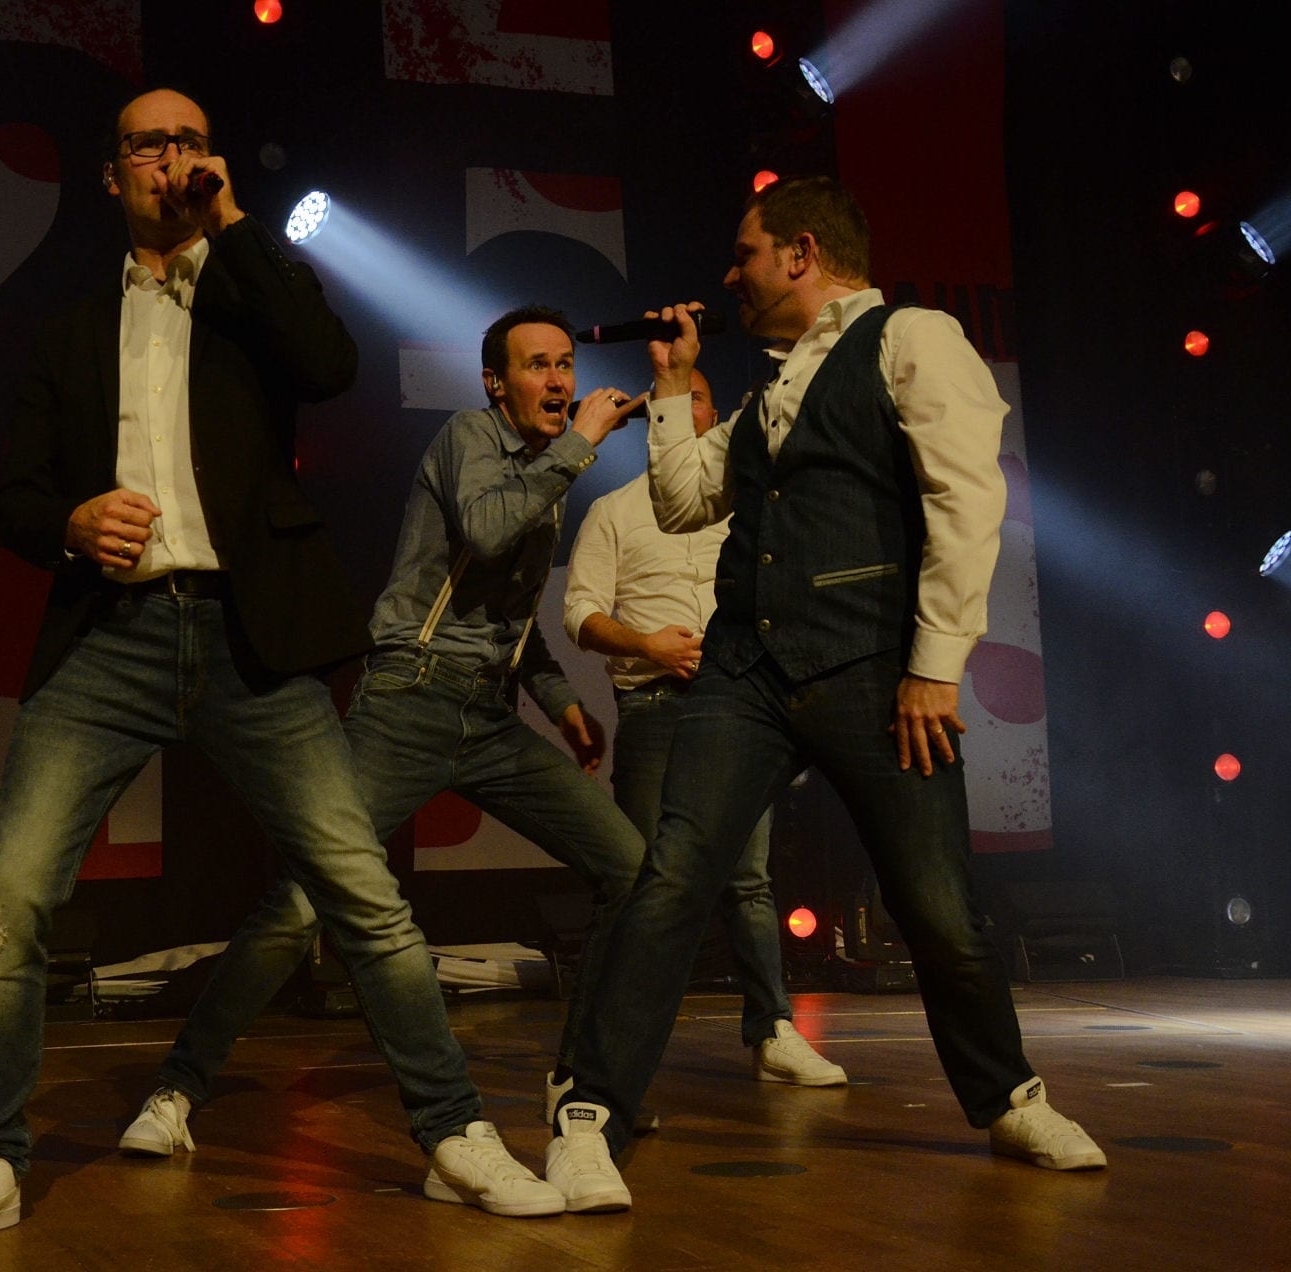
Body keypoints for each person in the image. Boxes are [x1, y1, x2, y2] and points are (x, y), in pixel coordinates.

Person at [0, 89, 564, 1254]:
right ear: (113, 175)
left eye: (190, 141)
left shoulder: (253, 293)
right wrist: (71, 522)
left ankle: (455, 1133)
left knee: (360, 893)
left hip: (249, 638)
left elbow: (331, 363)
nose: (172, 158)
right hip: (109, 638)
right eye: (149, 144)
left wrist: (235, 225)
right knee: (12, 890)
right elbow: (12, 497)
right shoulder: (68, 325)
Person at [545, 176, 1105, 1214]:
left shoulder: (914, 338)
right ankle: (590, 1114)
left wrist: (934, 666)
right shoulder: (768, 394)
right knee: (672, 878)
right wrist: (674, 383)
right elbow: (681, 501)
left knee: (935, 902)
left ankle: (1010, 1096)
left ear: (801, 253)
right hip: (746, 671)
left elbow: (967, 498)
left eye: (745, 255)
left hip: (871, 666)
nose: (730, 276)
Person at [119, 305, 648, 1161]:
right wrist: (579, 446)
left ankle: (582, 1080)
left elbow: (511, 615)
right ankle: (177, 1087)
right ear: (496, 382)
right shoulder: (469, 437)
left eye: (565, 365)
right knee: (305, 902)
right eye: (538, 365)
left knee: (628, 867)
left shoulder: (546, 471)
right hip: (410, 702)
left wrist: (560, 702)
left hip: (488, 714)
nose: (559, 381)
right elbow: (487, 531)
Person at [562, 366, 846, 1089]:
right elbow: (579, 613)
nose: (685, 413)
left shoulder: (749, 508)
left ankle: (772, 1031)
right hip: (654, 706)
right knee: (639, 878)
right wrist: (647, 644)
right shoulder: (614, 512)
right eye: (672, 402)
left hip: (736, 706)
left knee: (747, 878)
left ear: (716, 418)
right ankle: (604, 1054)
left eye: (698, 402)